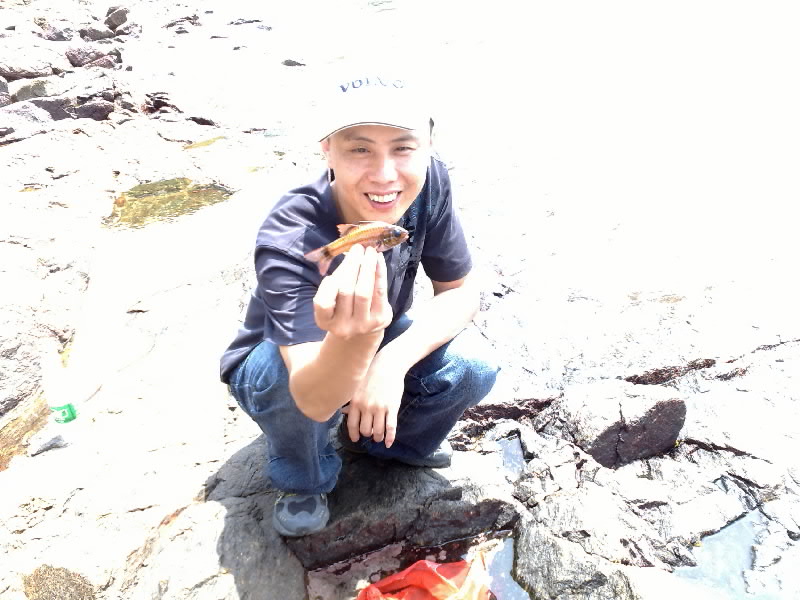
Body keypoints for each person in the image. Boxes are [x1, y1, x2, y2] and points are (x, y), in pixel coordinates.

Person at [219, 71, 499, 537]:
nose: (385, 175)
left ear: (428, 147)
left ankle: (381, 441)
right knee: (286, 383)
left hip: (375, 332)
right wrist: (359, 346)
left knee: (472, 365)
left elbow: (460, 291)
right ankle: (303, 475)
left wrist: (389, 363)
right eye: (360, 149)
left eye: (403, 148)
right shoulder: (290, 233)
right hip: (287, 360)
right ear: (326, 150)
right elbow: (311, 393)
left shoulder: (429, 182)